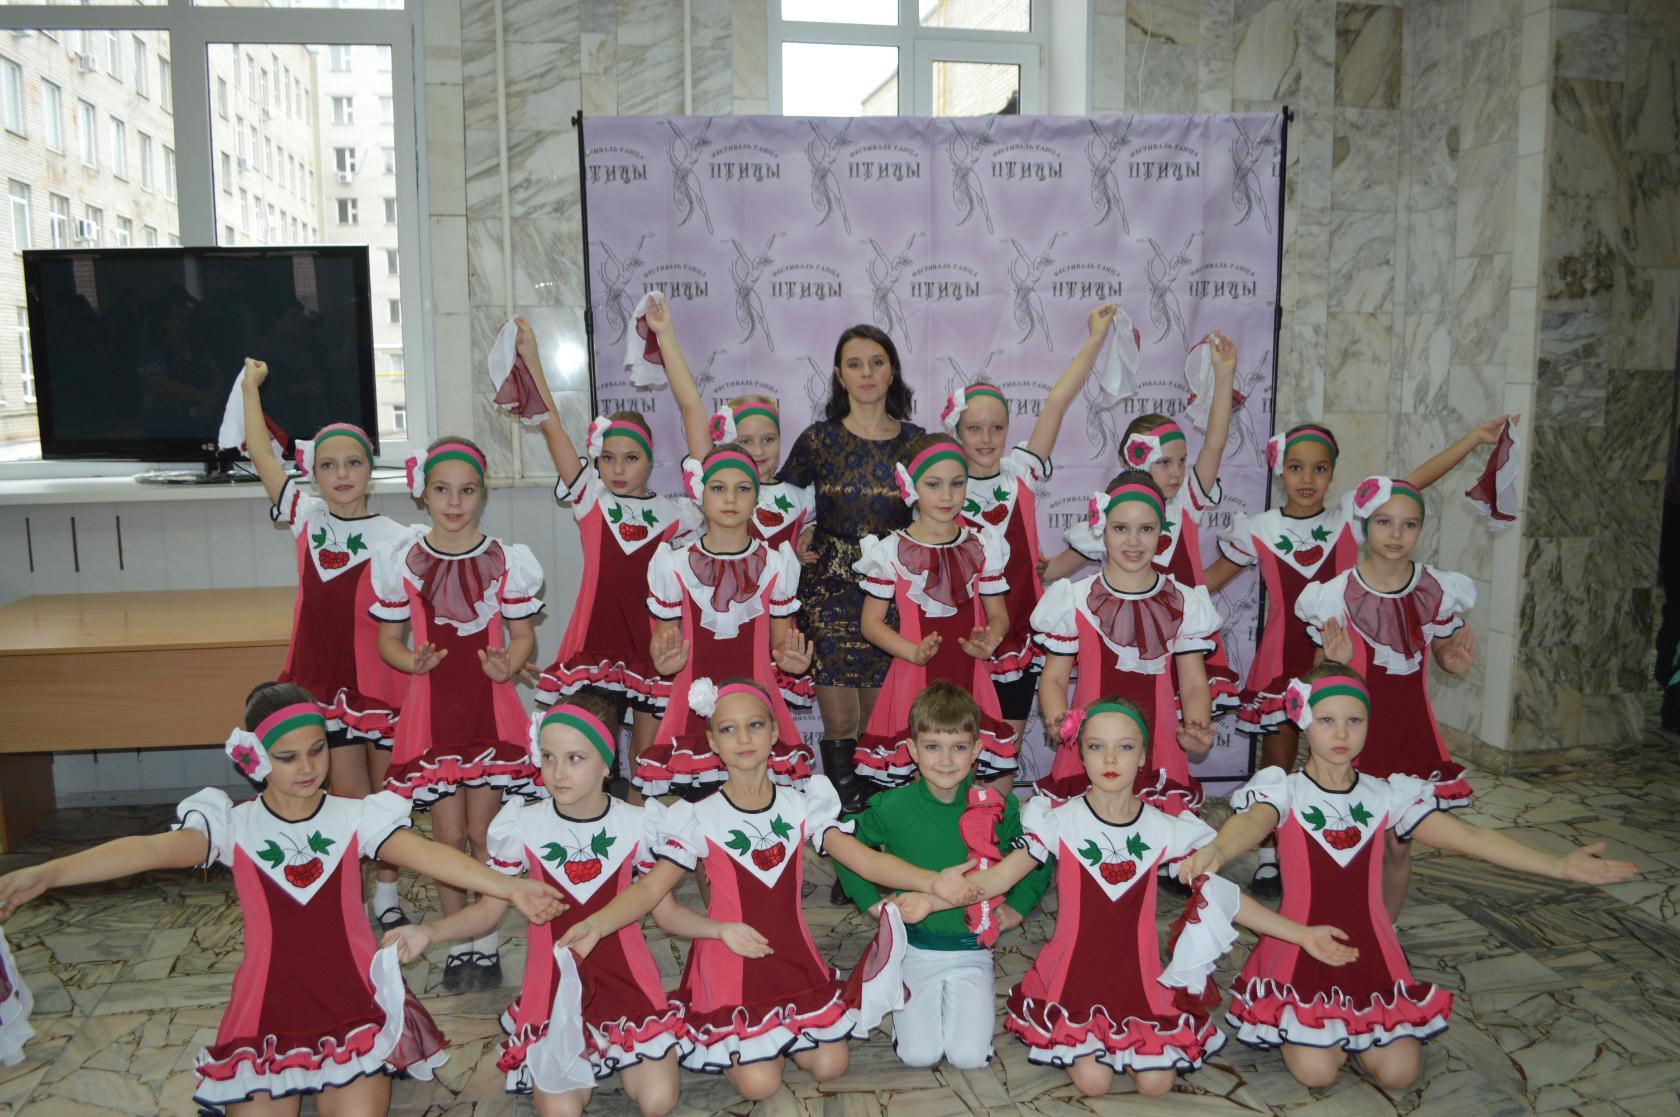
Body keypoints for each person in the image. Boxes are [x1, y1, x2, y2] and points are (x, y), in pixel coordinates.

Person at [0, 682, 568, 1116]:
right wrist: (49, 873)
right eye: (288, 756)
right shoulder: (233, 827)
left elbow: (433, 856)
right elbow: (147, 851)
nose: (308, 768)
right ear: (254, 758)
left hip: (353, 1004)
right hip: (266, 1010)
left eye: (317, 750)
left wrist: (510, 886)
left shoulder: (355, 817)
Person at [1177, 662, 1637, 1091]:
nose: (1342, 733)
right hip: (1301, 950)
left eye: (1354, 721)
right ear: (1303, 719)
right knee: (1317, 1073)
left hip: (1372, 954)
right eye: (1327, 720)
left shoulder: (1387, 795)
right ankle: (1314, 1029)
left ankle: (1348, 1029)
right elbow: (1251, 824)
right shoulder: (1284, 791)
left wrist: (1559, 865)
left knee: (1400, 1074)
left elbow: (1470, 837)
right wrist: (1218, 849)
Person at [896, 696, 1357, 1098]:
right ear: (1081, 753)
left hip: (1139, 979)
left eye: (1125, 747)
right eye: (1097, 746)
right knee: (1093, 1082)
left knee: (1156, 1084)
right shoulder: (1058, 820)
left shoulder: (1166, 829)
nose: (1110, 759)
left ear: (1143, 757)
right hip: (1075, 978)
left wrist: (1302, 935)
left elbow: (1225, 897)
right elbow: (996, 880)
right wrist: (932, 901)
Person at [553, 679, 984, 1103]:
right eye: (728, 729)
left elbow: (865, 860)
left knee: (831, 1065)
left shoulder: (800, 804)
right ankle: (746, 1041)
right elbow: (650, 892)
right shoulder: (698, 817)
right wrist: (598, 924)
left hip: (793, 959)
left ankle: (776, 1035)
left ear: (775, 732)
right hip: (731, 963)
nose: (743, 738)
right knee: (762, 1084)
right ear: (712, 741)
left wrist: (931, 881)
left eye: (755, 725)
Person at [1202, 415, 1517, 897]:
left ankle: (1346, 860)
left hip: (1347, 658)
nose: (1307, 479)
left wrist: (1472, 439)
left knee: (1342, 754)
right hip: (1282, 661)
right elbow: (1210, 580)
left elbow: (1411, 485)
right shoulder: (1258, 528)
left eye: (1320, 468)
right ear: (1280, 470)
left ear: (1333, 472)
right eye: (1296, 467)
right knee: (1277, 759)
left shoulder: (1351, 518)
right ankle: (1270, 855)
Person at [382, 693, 689, 1117]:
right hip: (553, 988)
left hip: (628, 984)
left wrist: (721, 930)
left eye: (575, 758)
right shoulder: (523, 824)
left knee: (658, 1102)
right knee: (561, 1111)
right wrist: (428, 931)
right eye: (548, 757)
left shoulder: (639, 824)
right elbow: (488, 911)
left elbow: (661, 904)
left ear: (606, 764)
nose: (558, 772)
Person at [237, 357, 416, 931]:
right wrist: (251, 387)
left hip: (381, 686)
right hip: (318, 686)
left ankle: (387, 892)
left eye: (353, 463)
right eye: (329, 465)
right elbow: (259, 450)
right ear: (312, 473)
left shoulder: (398, 538)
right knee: (349, 799)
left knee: (389, 796)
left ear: (370, 469)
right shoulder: (305, 518)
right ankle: (355, 902)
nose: (342, 475)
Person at [372, 436, 546, 991]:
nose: (454, 502)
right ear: (422, 493)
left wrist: (508, 663)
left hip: (488, 711)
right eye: (442, 490)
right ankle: (456, 940)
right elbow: (388, 641)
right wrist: (413, 663)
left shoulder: (505, 561)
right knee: (446, 838)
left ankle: (485, 937)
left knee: (482, 831)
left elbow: (522, 636)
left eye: (467, 490)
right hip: (433, 714)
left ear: (482, 494)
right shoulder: (403, 561)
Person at [834, 681, 1050, 1070]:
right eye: (933, 747)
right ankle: (910, 1026)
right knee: (919, 1055)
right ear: (913, 750)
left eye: (959, 748)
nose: (946, 760)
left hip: (973, 949)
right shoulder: (892, 807)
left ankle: (966, 1004)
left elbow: (1038, 855)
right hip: (914, 947)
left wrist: (1018, 906)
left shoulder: (995, 807)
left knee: (969, 1057)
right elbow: (845, 850)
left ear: (977, 751)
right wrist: (871, 904)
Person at [1296, 476, 1478, 917]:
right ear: (1365, 525)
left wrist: (1451, 659)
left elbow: (1442, 648)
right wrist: (1334, 662)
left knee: (1399, 842)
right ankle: (1344, 919)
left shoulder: (1436, 589)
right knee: (1352, 836)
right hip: (1355, 736)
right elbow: (1319, 681)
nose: (1396, 534)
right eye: (1384, 522)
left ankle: (1386, 930)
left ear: (1420, 529)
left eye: (1408, 524)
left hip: (1411, 732)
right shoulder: (1335, 595)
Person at [943, 304, 1119, 747]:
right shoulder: (943, 487)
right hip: (962, 628)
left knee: (1005, 745)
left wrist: (1095, 338)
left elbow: (1057, 402)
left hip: (1020, 624)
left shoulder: (1021, 472)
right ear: (957, 431)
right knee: (954, 741)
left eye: (996, 428)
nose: (986, 439)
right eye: (974, 428)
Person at [1039, 330, 1243, 713]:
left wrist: (1224, 373)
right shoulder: (1113, 517)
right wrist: (1022, 565)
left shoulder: (1186, 503)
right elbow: (1054, 569)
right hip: (1128, 639)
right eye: (1164, 462)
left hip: (1177, 639)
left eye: (1181, 461)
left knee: (1172, 718)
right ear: (1134, 459)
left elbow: (1214, 443)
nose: (1177, 472)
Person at [521, 319, 683, 795]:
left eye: (630, 458)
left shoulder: (675, 515)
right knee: (591, 757)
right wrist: (531, 360)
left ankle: (642, 835)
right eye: (608, 457)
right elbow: (551, 425)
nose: (617, 468)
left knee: (646, 766)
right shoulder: (590, 497)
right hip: (595, 648)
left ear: (650, 461)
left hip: (652, 652)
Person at [643, 296, 817, 708]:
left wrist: (807, 536)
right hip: (705, 654)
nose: (731, 497)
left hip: (762, 650)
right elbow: (691, 406)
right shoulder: (716, 472)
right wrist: (666, 335)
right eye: (719, 489)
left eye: (768, 439)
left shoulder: (796, 499)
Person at [778, 325, 923, 815]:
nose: (867, 373)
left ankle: (881, 833)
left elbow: (938, 511)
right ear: (839, 376)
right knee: (841, 727)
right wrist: (796, 537)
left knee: (881, 729)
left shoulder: (917, 443)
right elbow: (779, 506)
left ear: (892, 371)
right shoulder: (818, 440)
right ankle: (848, 834)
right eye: (855, 364)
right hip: (827, 598)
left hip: (890, 602)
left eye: (877, 363)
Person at [632, 443, 815, 797]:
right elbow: (663, 641)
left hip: (756, 704)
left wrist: (791, 660)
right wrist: (663, 660)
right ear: (700, 495)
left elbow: (781, 642)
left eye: (742, 488)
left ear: (756, 497)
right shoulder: (673, 564)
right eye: (718, 488)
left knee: (756, 803)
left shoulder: (777, 564)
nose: (730, 498)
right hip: (691, 708)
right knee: (692, 811)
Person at [1031, 472, 1220, 812]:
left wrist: (1196, 727)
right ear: (1102, 530)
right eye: (1120, 528)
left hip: (1160, 745)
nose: (1133, 541)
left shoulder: (1185, 601)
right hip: (1089, 745)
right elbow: (1054, 678)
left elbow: (1193, 682)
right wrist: (1060, 721)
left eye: (1146, 529)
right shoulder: (1074, 599)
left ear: (1161, 532)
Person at [852, 434, 1017, 789]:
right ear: (911, 486)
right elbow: (871, 624)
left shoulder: (983, 544)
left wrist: (989, 641)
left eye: (957, 484)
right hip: (913, 674)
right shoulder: (889, 551)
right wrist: (912, 651)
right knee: (919, 773)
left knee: (966, 766)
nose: (947, 496)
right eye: (933, 484)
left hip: (969, 673)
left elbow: (999, 616)